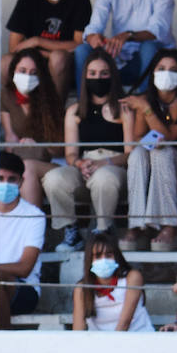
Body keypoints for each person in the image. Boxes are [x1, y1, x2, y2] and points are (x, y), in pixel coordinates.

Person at [43, 51, 127, 250]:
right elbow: (70, 153)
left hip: (115, 167)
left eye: (104, 73)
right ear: (85, 76)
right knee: (53, 178)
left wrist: (104, 163)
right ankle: (70, 230)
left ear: (113, 76)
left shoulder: (123, 108)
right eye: (93, 73)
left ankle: (103, 229)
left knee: (104, 177)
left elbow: (131, 152)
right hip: (85, 165)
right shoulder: (74, 111)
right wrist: (80, 163)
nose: (98, 78)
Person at [120, 48, 177, 251]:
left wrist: (146, 110)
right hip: (155, 168)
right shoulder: (147, 98)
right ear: (153, 72)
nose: (166, 73)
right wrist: (145, 108)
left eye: (173, 69)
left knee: (161, 151)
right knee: (138, 153)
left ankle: (170, 224)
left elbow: (168, 137)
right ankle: (136, 224)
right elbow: (138, 137)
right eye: (161, 68)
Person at [6, 0, 92, 99]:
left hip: (66, 64)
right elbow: (14, 48)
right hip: (33, 62)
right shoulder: (27, 0)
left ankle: (55, 116)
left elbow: (79, 44)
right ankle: (11, 116)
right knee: (5, 62)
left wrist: (37, 41)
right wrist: (42, 54)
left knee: (58, 57)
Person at [0, 48, 64, 208]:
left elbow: (57, 150)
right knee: (10, 173)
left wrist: (36, 145)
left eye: (33, 73)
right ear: (13, 71)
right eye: (22, 71)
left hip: (49, 162)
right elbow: (10, 138)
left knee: (26, 169)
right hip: (20, 158)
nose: (27, 77)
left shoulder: (50, 99)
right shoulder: (7, 96)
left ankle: (32, 223)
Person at [0, 152, 46, 330]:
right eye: (0, 178)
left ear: (21, 182)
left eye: (11, 179)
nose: (5, 184)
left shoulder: (34, 216)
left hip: (24, 290)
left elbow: (24, 268)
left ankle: (0, 346)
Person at [70, 231, 153, 332]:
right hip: (100, 344)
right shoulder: (82, 288)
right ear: (90, 260)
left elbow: (124, 323)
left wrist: (112, 346)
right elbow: (78, 329)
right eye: (98, 256)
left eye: (108, 255)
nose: (104, 260)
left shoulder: (132, 278)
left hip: (136, 338)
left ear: (116, 256)